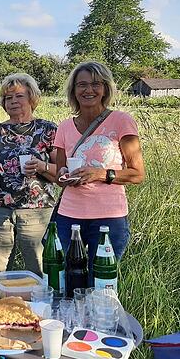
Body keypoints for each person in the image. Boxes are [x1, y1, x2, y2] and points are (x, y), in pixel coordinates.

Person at [54, 61, 146, 276]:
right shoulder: (65, 127)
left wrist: (100, 174)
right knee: (64, 277)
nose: (88, 90)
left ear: (105, 89)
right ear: (73, 90)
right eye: (82, 85)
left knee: (101, 280)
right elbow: (59, 175)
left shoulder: (121, 121)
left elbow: (137, 174)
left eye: (96, 84)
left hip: (109, 217)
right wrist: (63, 176)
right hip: (68, 215)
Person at [0, 73, 59, 275]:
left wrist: (41, 166)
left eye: (18, 96)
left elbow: (62, 173)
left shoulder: (48, 130)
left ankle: (41, 306)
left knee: (39, 267)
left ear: (32, 97)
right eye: (7, 97)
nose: (12, 101)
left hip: (37, 209)